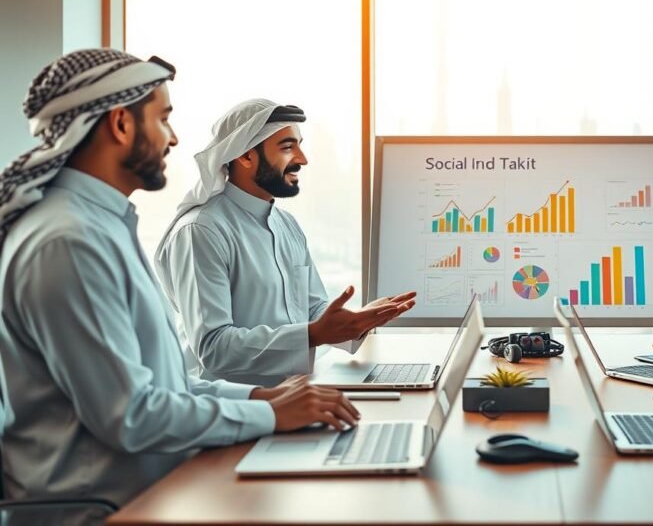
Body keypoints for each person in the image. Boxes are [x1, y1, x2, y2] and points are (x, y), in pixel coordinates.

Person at [0, 50, 359, 523]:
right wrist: (271, 415)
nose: (173, 138)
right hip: (104, 508)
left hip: (157, 485)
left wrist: (263, 398)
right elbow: (131, 415)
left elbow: (167, 385)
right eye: (163, 119)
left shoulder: (99, 226)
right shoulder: (69, 241)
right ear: (121, 125)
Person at [155, 98, 415, 386]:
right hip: (232, 413)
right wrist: (314, 334)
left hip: (297, 397)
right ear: (245, 156)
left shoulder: (286, 224)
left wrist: (355, 321)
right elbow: (214, 347)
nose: (302, 159)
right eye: (288, 147)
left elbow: (313, 309)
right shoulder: (201, 231)